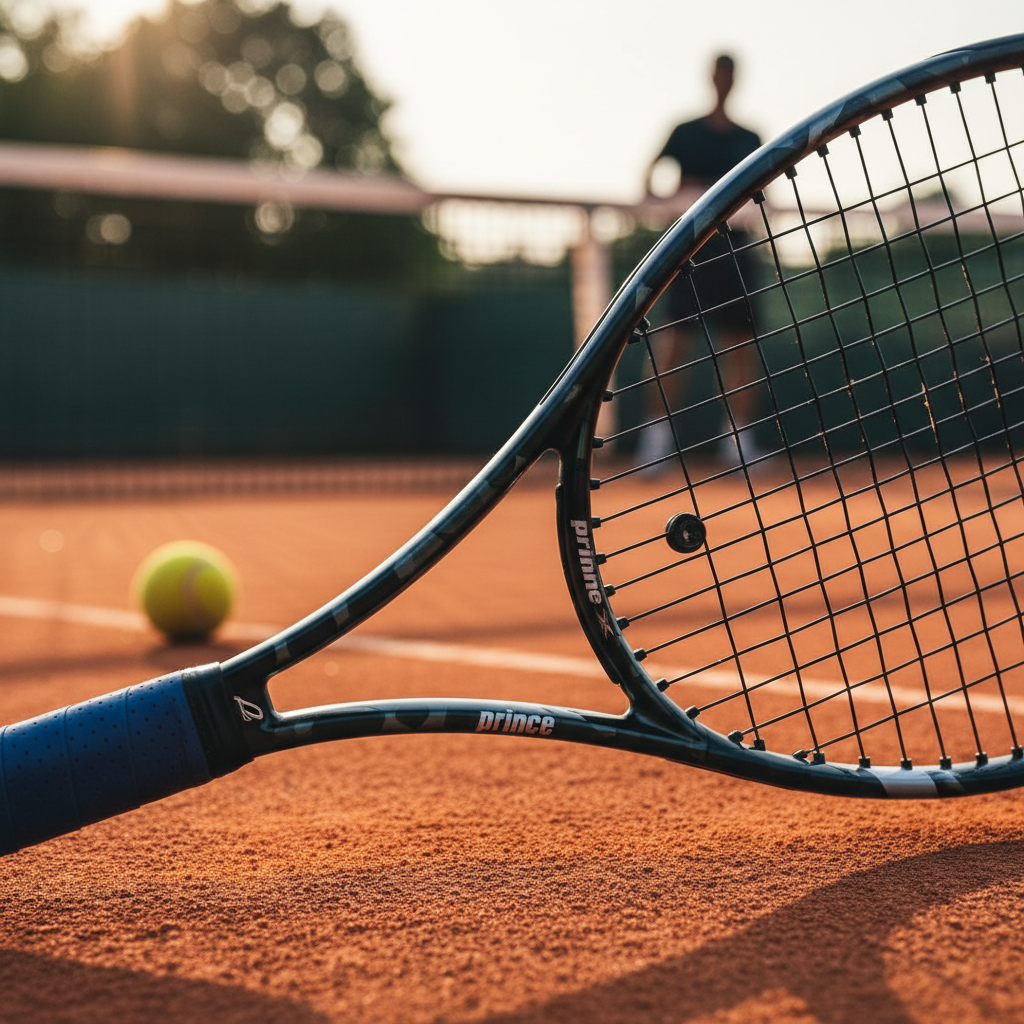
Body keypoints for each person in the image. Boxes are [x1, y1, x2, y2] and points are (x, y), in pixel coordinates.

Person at [638, 54, 763, 470]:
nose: (723, 81)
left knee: (740, 348)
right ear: (711, 78)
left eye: (730, 75)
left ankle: (737, 444)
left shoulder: (750, 137)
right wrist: (668, 205)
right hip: (688, 253)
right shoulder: (685, 132)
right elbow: (649, 179)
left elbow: (764, 195)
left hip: (735, 251)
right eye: (718, 74)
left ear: (734, 80)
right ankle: (655, 443)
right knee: (672, 344)